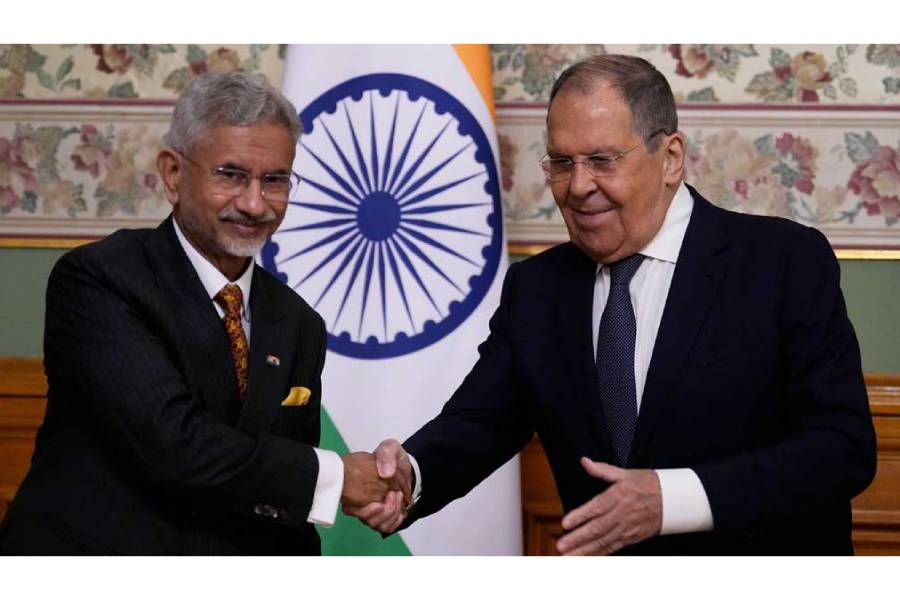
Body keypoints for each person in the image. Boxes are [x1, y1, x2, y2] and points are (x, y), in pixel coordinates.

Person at [347, 55, 877, 555]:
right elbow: (480, 421)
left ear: (670, 158)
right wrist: (410, 474)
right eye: (561, 162)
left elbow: (841, 448)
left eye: (602, 161)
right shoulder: (537, 288)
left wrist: (671, 500)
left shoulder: (781, 262)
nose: (578, 187)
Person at [0, 71, 403, 555]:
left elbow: (278, 510)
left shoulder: (298, 322)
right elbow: (173, 445)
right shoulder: (99, 280)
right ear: (173, 174)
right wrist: (337, 478)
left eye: (274, 180)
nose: (255, 204)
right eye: (231, 175)